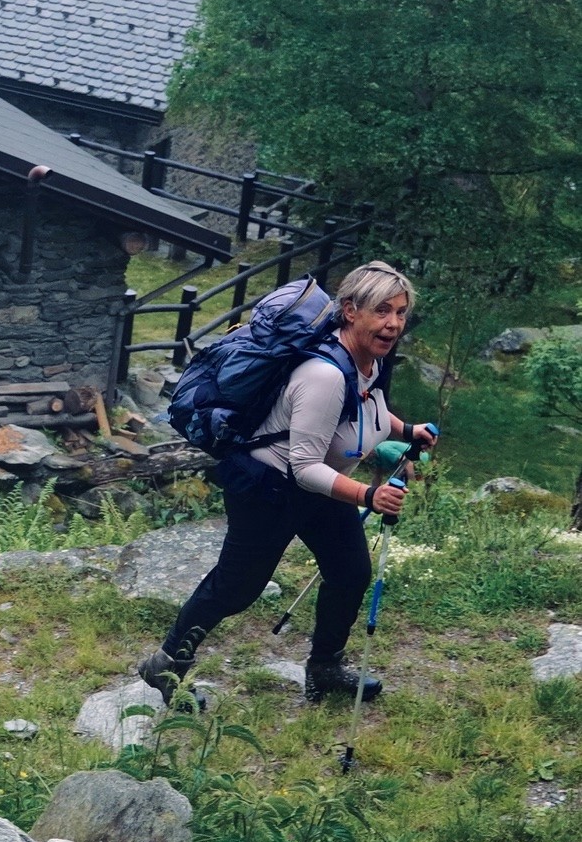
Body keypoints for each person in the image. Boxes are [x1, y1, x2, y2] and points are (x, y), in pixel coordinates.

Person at [139, 261, 439, 703]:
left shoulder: (370, 361)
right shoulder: (324, 376)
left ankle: (324, 668)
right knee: (236, 588)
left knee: (350, 572)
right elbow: (304, 467)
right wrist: (369, 496)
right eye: (382, 311)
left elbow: (367, 409)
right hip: (269, 488)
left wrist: (407, 430)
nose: (393, 323)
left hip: (322, 487)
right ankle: (166, 665)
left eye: (400, 312)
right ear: (351, 311)